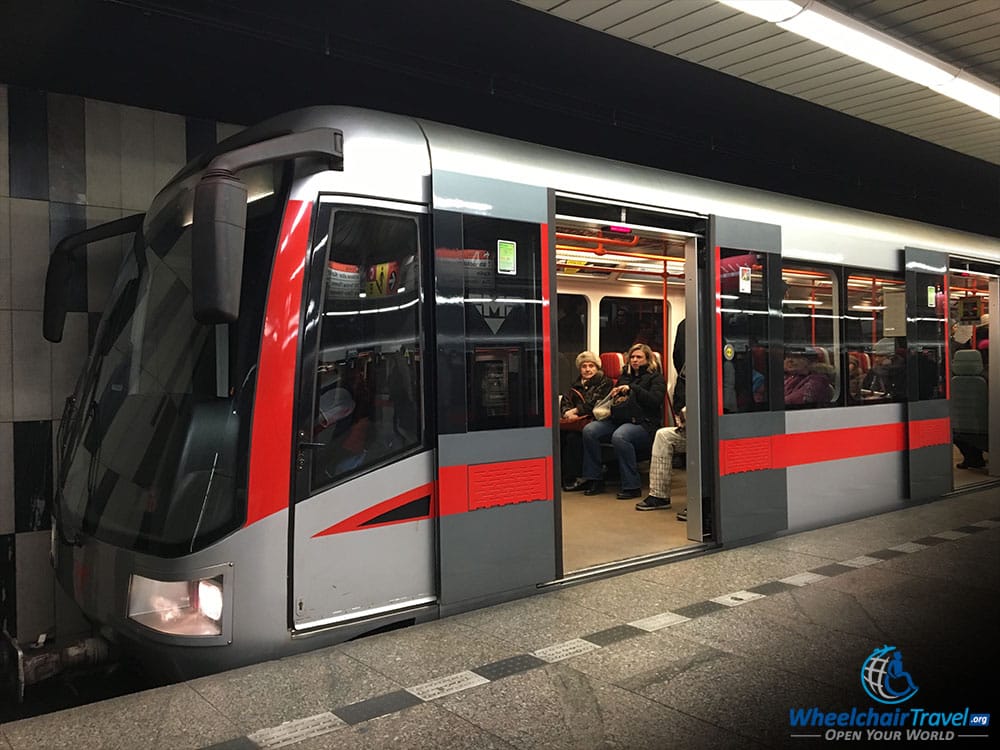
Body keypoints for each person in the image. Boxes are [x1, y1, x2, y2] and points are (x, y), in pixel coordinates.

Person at [567, 343, 666, 499]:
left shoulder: (656, 378)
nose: (634, 360)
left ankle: (632, 485)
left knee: (620, 436)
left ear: (647, 359)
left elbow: (655, 401)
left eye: (639, 357)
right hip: (619, 418)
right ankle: (594, 478)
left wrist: (633, 389)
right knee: (590, 430)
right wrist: (616, 394)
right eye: (632, 357)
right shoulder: (624, 376)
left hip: (643, 423)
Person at [559, 351, 613, 490]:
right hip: (577, 421)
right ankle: (562, 476)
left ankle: (576, 477)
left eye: (591, 366)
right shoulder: (576, 384)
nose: (588, 369)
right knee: (560, 435)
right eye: (584, 366)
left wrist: (576, 411)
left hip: (597, 419)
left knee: (573, 438)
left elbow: (595, 403)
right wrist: (566, 413)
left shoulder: (605, 382)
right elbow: (566, 400)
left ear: (597, 368)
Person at [635, 407, 686, 511]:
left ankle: (703, 501)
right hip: (690, 429)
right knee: (663, 436)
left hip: (714, 427)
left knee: (700, 441)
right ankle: (659, 496)